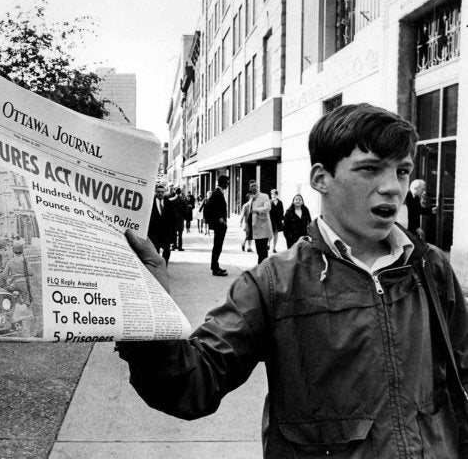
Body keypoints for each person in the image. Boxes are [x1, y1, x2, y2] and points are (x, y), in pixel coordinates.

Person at [117, 103, 468, 458]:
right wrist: (149, 316)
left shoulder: (430, 267)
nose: (393, 187)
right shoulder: (274, 283)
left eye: (403, 171)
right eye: (370, 170)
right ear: (321, 178)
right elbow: (192, 385)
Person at [205, 175, 229, 276]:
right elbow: (208, 208)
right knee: (217, 246)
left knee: (218, 246)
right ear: (222, 183)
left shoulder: (219, 193)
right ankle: (215, 269)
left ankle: (215, 266)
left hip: (220, 225)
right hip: (219, 225)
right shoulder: (216, 193)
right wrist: (219, 218)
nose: (228, 184)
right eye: (227, 182)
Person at [148, 184, 174, 265]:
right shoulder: (150, 204)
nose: (160, 193)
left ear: (165, 193)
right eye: (158, 192)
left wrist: (172, 232)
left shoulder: (169, 203)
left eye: (162, 192)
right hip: (153, 233)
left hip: (165, 233)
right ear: (155, 192)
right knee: (155, 252)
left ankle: (164, 267)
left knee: (167, 251)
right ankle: (156, 268)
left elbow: (173, 219)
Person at [247, 180, 272, 263]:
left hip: (263, 228)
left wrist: (256, 210)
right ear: (249, 188)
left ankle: (262, 270)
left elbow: (268, 207)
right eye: (252, 186)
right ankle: (261, 269)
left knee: (263, 253)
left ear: (258, 186)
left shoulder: (264, 196)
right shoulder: (251, 198)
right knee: (259, 252)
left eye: (255, 185)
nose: (254, 187)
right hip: (255, 229)